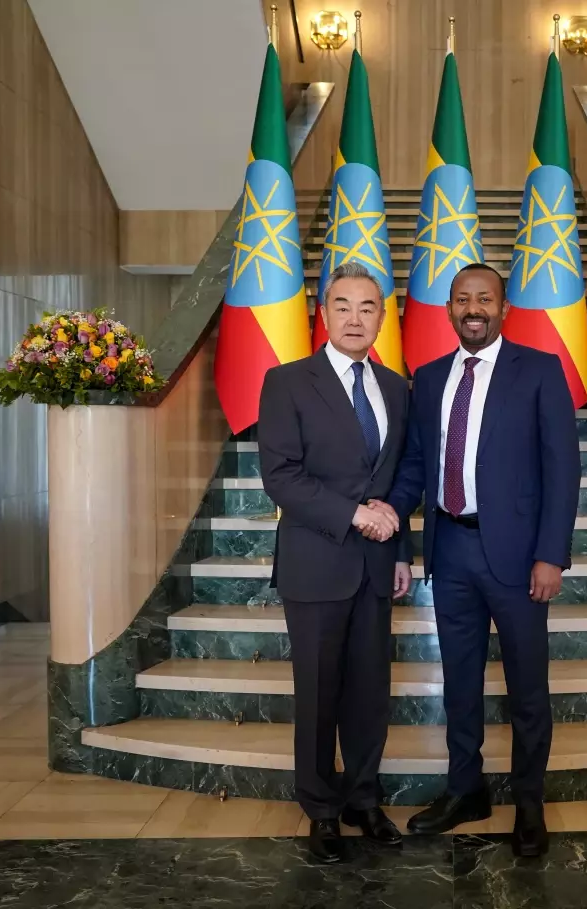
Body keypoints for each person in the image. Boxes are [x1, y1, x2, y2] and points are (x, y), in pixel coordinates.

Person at [374, 262, 579, 858]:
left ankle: (530, 802)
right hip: (452, 550)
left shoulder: (539, 370)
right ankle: (465, 790)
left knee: (527, 689)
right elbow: (417, 464)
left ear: (503, 308)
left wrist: (551, 555)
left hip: (518, 558)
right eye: (463, 299)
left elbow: (563, 469)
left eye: (484, 299)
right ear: (448, 309)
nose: (473, 309)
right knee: (459, 683)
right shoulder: (429, 377)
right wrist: (390, 516)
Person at [258, 261, 412, 864]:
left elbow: (394, 481)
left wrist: (399, 549)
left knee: (370, 693)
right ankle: (321, 809)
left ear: (382, 318)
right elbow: (282, 476)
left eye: (367, 307)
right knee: (319, 695)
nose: (354, 318)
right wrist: (354, 515)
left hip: (376, 567)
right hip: (316, 562)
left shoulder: (396, 387)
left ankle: (364, 799)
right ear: (323, 314)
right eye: (342, 306)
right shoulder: (287, 382)